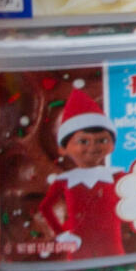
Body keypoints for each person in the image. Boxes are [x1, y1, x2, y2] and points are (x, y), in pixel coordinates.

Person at [39, 85, 123, 260]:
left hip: (111, 241)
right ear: (63, 148)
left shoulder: (116, 176)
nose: (93, 147)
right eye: (83, 141)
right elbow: (45, 207)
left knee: (116, 259)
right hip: (79, 241)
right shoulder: (65, 180)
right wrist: (62, 234)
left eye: (102, 140)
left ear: (112, 145)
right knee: (79, 264)